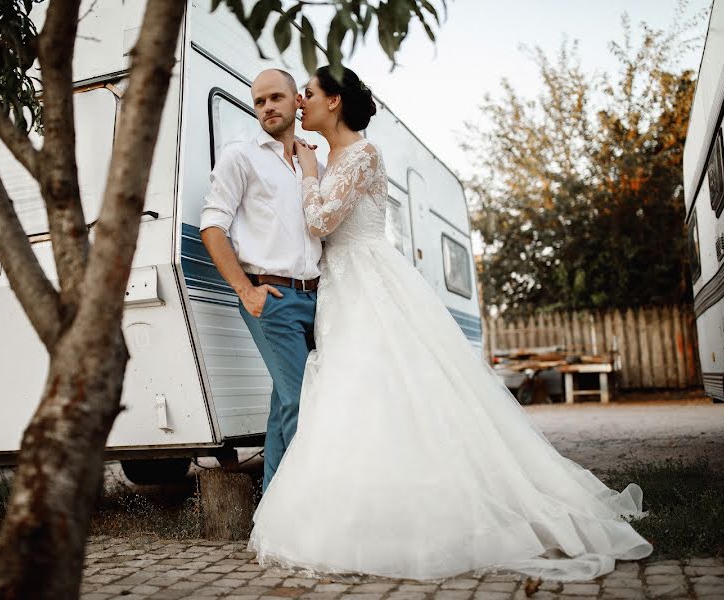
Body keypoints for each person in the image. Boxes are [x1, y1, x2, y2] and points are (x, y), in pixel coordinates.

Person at [247, 66, 653, 582]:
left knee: (385, 388)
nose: (300, 102)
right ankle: (377, 506)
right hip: (341, 287)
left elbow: (321, 220)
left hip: (369, 284)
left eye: (308, 93)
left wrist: (306, 172)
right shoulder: (329, 156)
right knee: (357, 396)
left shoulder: (361, 154)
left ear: (335, 102)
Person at [200, 69, 322, 492]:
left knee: (282, 405)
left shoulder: (312, 164)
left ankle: (271, 512)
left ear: (295, 102)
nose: (267, 107)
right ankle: (303, 507)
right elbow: (212, 226)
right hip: (271, 297)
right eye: (259, 101)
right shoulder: (241, 156)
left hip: (317, 299)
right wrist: (245, 290)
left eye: (275, 98)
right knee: (301, 402)